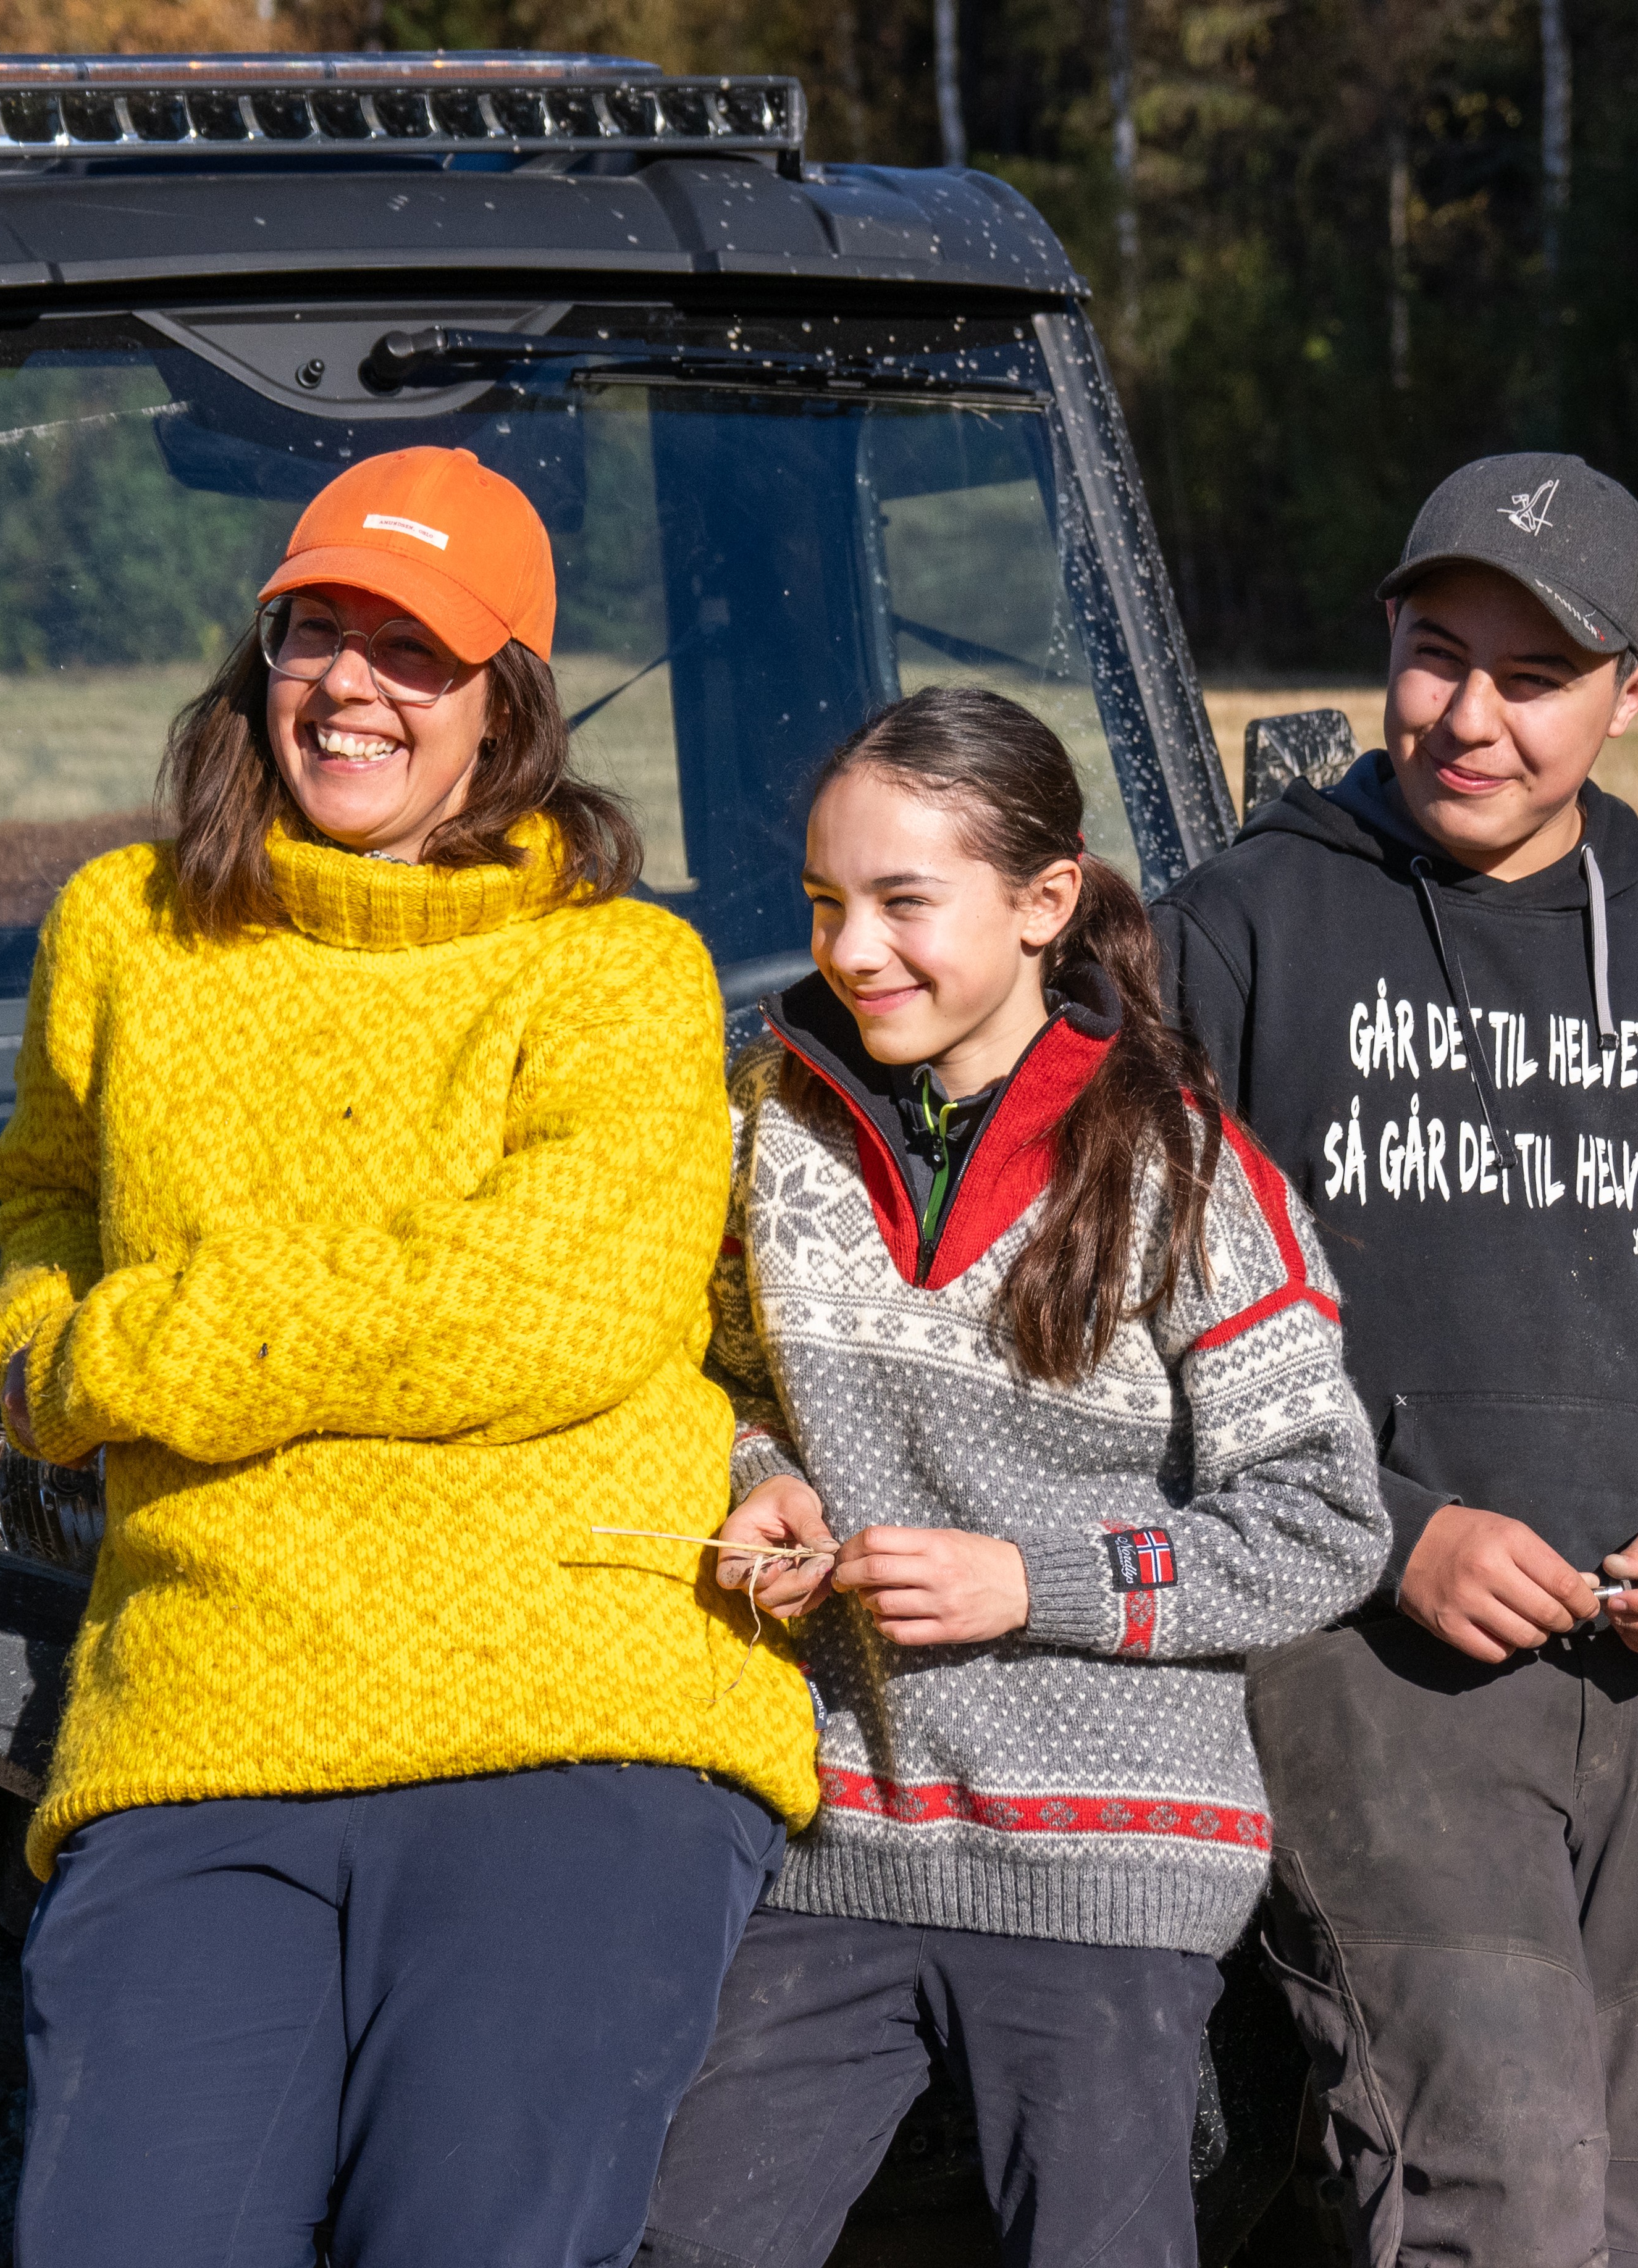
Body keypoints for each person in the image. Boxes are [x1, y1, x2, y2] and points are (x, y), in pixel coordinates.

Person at [0, 445, 819, 2268]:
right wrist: (38, 1329)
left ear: (507, 699)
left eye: (414, 649)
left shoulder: (619, 974)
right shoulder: (124, 930)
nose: (352, 684)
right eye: (315, 631)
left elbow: (556, 1311)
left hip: (577, 1699)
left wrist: (121, 1357)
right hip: (208, 1696)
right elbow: (43, 1198)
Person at [1153, 453, 1638, 2267]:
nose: (1468, 716)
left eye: (1533, 676)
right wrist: (1395, 1530)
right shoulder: (1243, 935)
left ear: (1634, 692)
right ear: (1385, 639)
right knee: (1495, 2184)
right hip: (1363, 1656)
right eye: (1432, 654)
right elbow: (1127, 1311)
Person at [634, 685, 1390, 2268]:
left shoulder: (1186, 1170)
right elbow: (707, 1377)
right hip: (832, 1842)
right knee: (676, 2240)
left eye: (906, 903)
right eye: (827, 905)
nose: (851, 951)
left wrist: (1028, 1577)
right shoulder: (756, 1131)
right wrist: (760, 1477)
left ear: (1046, 904)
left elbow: (1324, 1522)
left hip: (1107, 1866)